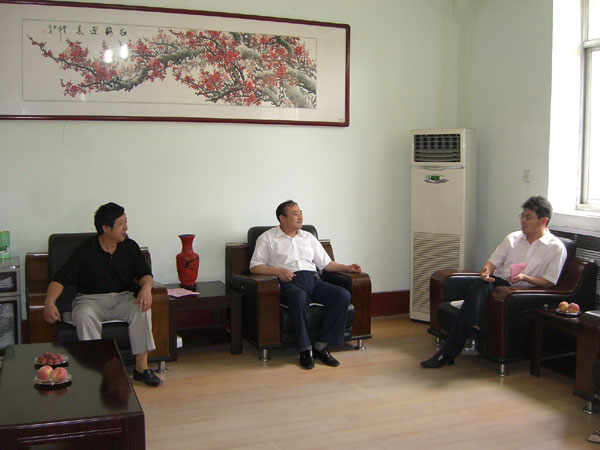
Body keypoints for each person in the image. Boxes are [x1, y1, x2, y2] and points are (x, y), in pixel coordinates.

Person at [421, 196, 567, 369]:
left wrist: (525, 277)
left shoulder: (555, 248)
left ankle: (449, 352)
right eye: (522, 216)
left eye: (528, 217)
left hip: (520, 294)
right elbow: (492, 263)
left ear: (543, 220)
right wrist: (486, 272)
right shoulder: (512, 238)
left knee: (474, 299)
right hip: (498, 284)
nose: (523, 221)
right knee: (480, 285)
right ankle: (473, 333)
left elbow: (549, 281)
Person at [42, 202, 162, 386]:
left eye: (126, 222)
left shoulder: (130, 247)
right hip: (91, 300)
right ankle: (97, 369)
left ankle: (141, 368)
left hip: (123, 298)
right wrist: (50, 302)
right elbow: (61, 278)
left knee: (141, 308)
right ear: (106, 228)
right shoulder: (85, 251)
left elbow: (145, 274)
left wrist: (146, 288)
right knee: (83, 315)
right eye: (121, 223)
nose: (126, 228)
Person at [249, 200, 362, 370]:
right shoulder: (267, 238)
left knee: (342, 295)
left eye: (301, 213)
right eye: (295, 214)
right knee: (299, 296)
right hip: (288, 282)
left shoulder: (308, 237)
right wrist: (278, 271)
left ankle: (321, 346)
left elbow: (326, 264)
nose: (300, 217)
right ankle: (305, 349)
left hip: (313, 280)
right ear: (282, 218)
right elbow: (255, 266)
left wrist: (347, 268)